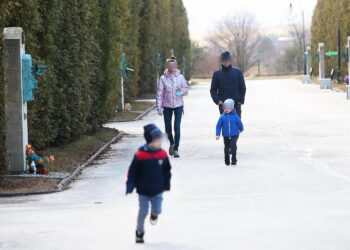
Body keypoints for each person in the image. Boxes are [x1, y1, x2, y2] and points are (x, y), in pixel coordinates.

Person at [126, 124, 172, 244]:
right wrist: (130, 186)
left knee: (157, 210)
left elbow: (167, 171)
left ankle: (154, 214)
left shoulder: (162, 154)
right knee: (143, 212)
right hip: (143, 190)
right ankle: (139, 232)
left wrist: (166, 184)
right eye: (158, 140)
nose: (160, 142)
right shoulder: (140, 155)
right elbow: (132, 172)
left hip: (158, 189)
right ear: (150, 141)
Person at [156, 56, 188, 158]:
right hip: (167, 105)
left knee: (177, 127)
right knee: (168, 128)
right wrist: (159, 107)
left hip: (178, 105)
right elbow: (159, 93)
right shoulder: (163, 78)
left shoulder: (181, 77)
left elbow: (186, 91)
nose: (172, 68)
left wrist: (180, 90)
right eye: (170, 66)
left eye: (173, 66)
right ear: (167, 66)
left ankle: (176, 149)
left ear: (176, 66)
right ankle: (172, 143)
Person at [210, 51, 247, 117]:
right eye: (224, 60)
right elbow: (213, 90)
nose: (226, 62)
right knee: (225, 125)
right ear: (221, 61)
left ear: (230, 60)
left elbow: (242, 87)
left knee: (236, 125)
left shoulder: (237, 72)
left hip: (236, 103)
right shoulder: (217, 74)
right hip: (223, 104)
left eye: (227, 60)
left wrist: (241, 100)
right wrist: (218, 101)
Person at [216, 99, 244, 166]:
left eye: (228, 108)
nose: (226, 110)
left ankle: (234, 159)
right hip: (225, 135)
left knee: (233, 145)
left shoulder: (235, 116)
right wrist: (217, 134)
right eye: (225, 108)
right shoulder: (222, 117)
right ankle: (226, 159)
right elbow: (218, 126)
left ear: (232, 108)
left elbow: (240, 124)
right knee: (226, 147)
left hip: (234, 134)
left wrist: (240, 130)